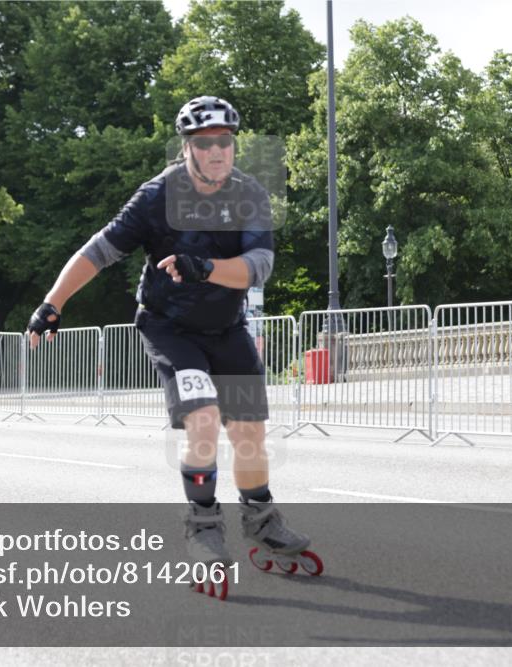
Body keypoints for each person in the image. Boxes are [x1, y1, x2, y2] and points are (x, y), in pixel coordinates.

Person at [27, 96, 312, 579]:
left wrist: (206, 269)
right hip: (169, 327)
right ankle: (202, 525)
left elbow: (260, 267)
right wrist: (53, 303)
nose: (219, 152)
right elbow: (98, 251)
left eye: (226, 141)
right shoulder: (157, 196)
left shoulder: (249, 194)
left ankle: (261, 520)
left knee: (249, 433)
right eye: (205, 144)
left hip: (226, 329)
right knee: (203, 420)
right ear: (186, 149)